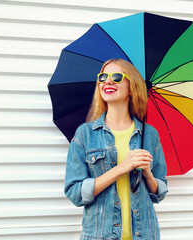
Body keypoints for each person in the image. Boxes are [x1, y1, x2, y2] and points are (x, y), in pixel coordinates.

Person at [64, 59, 168, 240]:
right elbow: (75, 193)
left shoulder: (149, 134)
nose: (108, 82)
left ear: (131, 87)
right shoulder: (85, 134)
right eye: (103, 77)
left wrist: (148, 175)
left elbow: (159, 193)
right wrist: (122, 167)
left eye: (117, 77)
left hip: (145, 235)